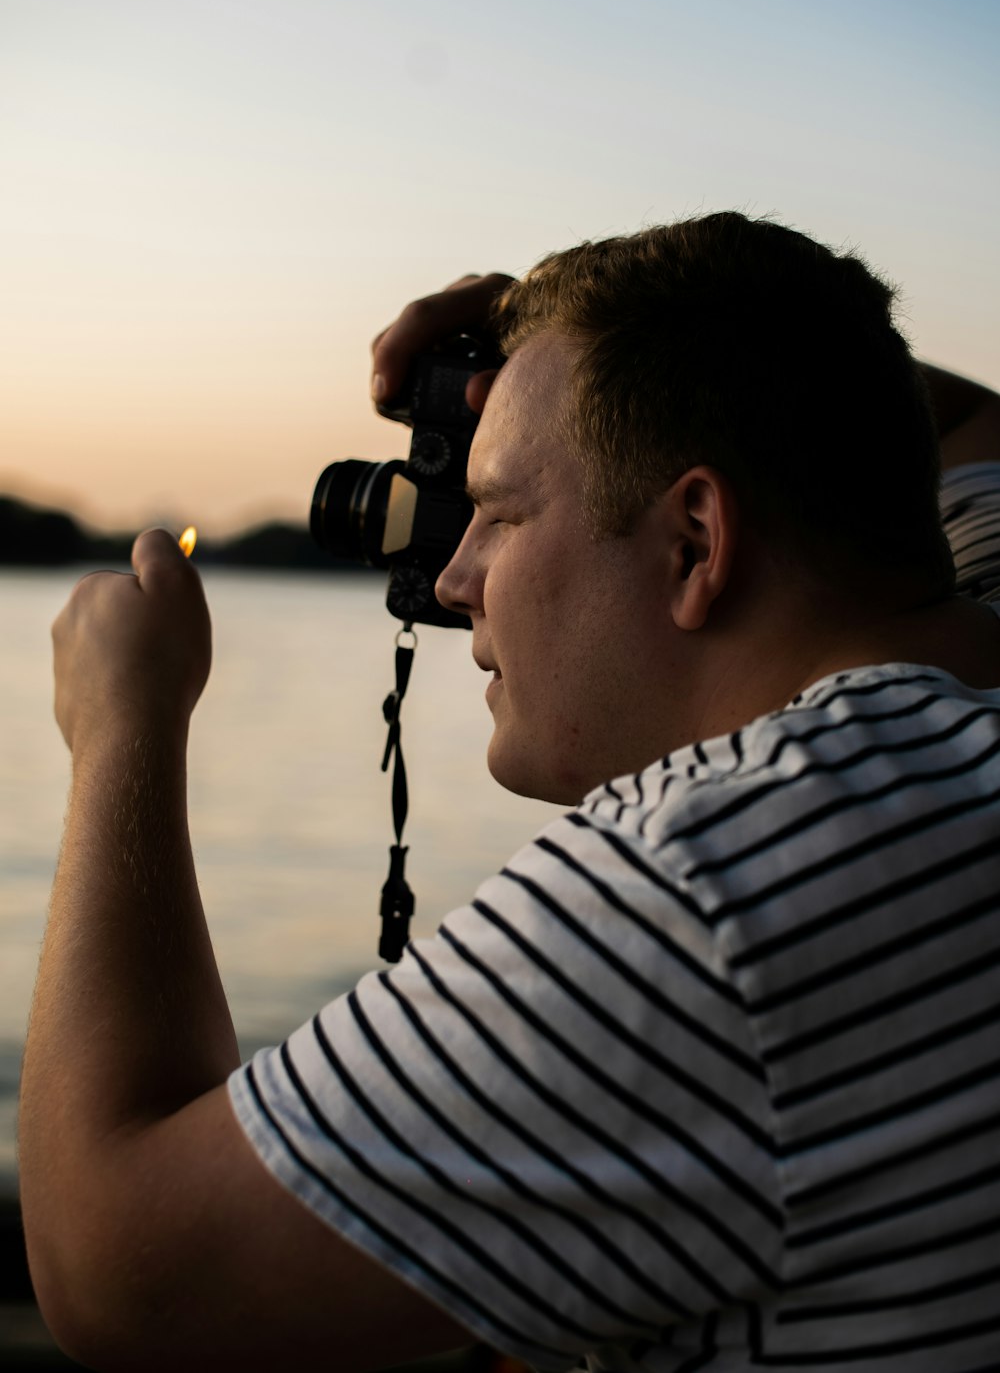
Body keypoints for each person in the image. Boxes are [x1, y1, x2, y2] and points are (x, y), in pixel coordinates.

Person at [19, 212, 1000, 1372]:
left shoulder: (722, 884)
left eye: (500, 512)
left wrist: (124, 730)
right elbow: (941, 420)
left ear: (694, 540)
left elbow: (117, 1273)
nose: (451, 577)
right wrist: (577, 330)